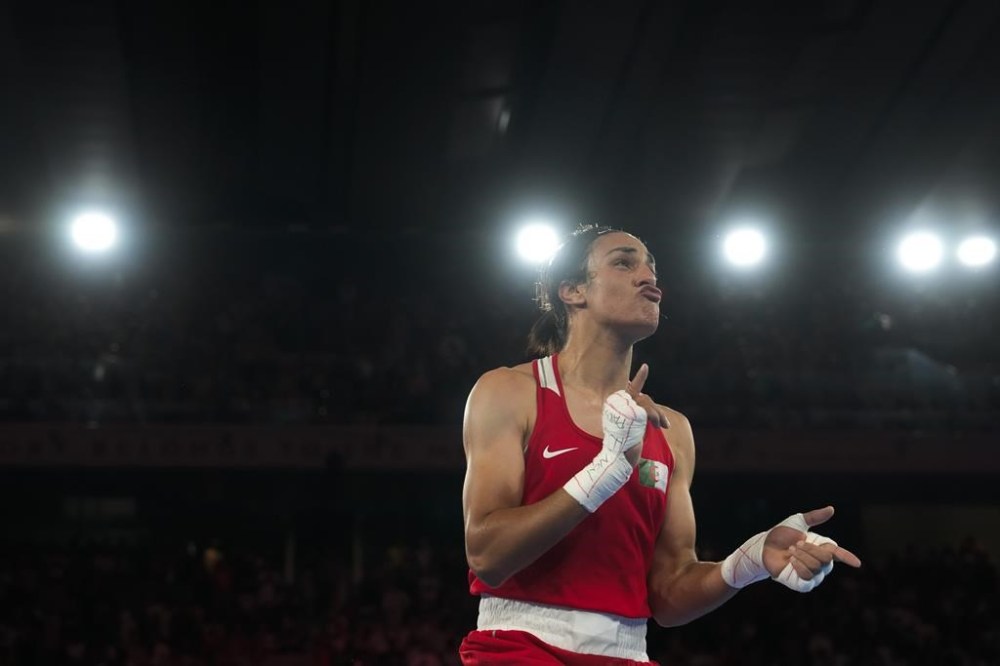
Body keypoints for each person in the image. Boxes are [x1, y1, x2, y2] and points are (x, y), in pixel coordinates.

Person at [459, 224, 862, 665]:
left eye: (651, 267)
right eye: (624, 263)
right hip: (520, 646)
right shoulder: (509, 393)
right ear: (573, 291)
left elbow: (668, 594)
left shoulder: (672, 431)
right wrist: (606, 469)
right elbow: (487, 555)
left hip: (629, 651)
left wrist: (749, 562)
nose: (648, 277)